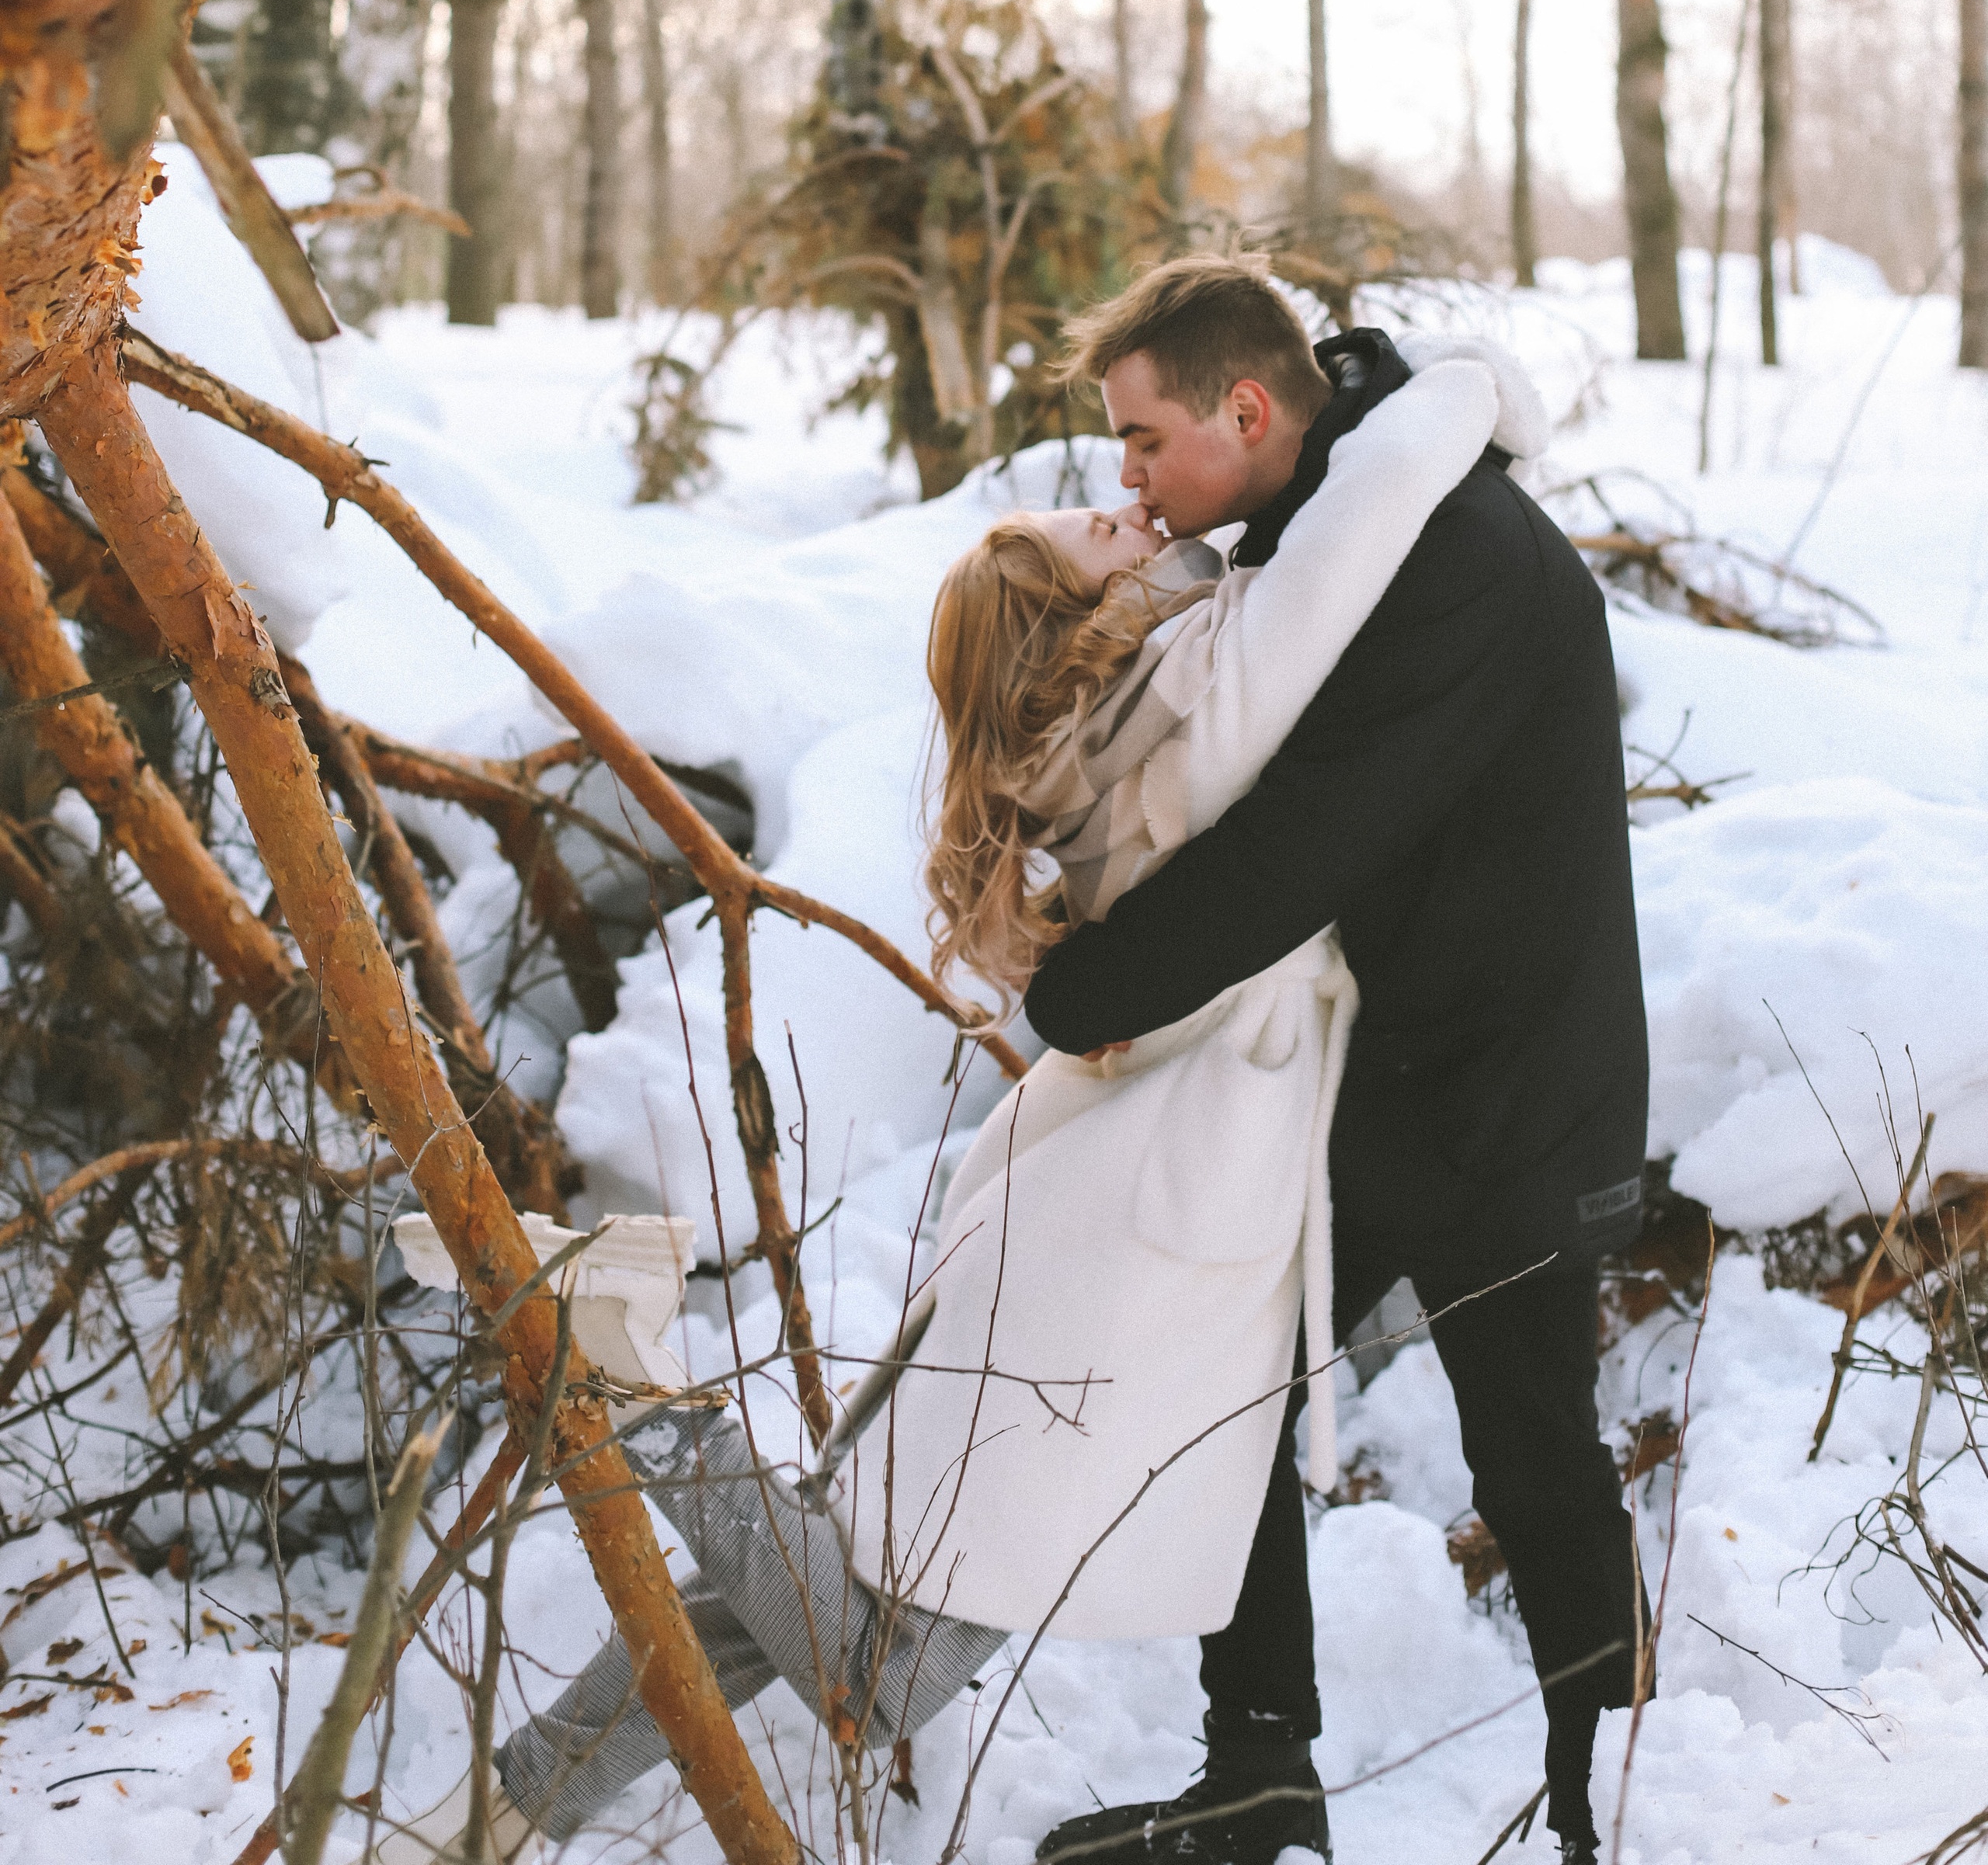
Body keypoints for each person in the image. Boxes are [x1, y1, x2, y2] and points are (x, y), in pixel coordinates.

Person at [378, 274, 1538, 1864]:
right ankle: (630, 1371)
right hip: (1137, 1239)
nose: (1137, 511)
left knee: (800, 1607)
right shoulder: (1196, 709)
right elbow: (1370, 518)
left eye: (1129, 490)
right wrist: (1448, 383)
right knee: (877, 1665)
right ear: (1086, 631)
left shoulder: (1106, 732)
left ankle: (494, 1809)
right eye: (1108, 537)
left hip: (1086, 1199)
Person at [1022, 257, 1651, 1865]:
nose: (1130, 476)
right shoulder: (1331, 522)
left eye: (1145, 439)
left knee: (1530, 1452)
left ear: (1246, 408)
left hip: (1517, 1092)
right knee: (1233, 1390)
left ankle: (1613, 1800)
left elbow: (1306, 834)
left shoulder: (1445, 552)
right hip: (1393, 1070)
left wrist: (1083, 986)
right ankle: (1255, 1779)